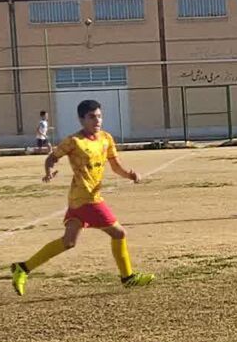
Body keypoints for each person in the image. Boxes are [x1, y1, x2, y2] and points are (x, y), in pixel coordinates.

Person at [9, 99, 154, 296]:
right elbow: (52, 157)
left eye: (99, 116)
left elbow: (115, 164)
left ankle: (23, 268)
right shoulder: (74, 141)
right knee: (119, 233)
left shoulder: (106, 139)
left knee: (69, 242)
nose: (97, 120)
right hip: (87, 199)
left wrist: (129, 174)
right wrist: (49, 171)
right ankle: (128, 278)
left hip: (80, 198)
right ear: (81, 119)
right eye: (92, 117)